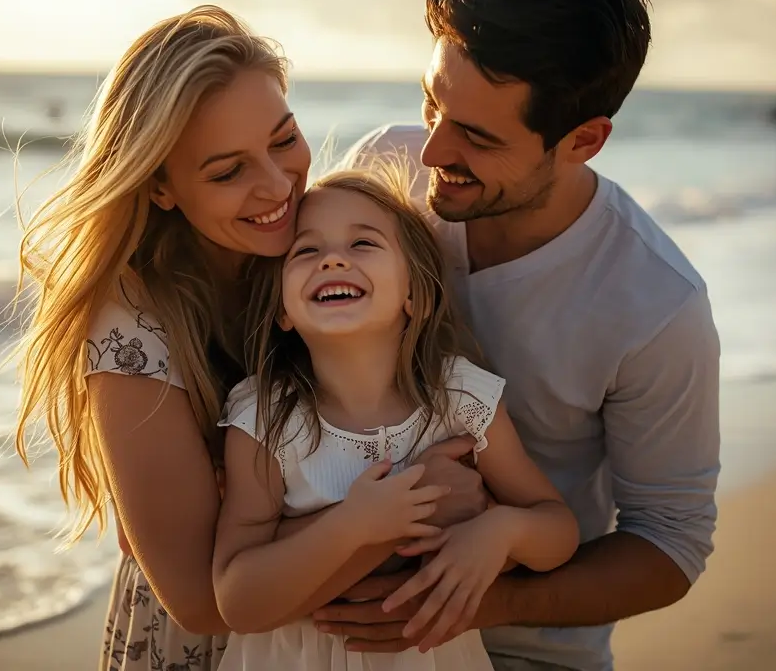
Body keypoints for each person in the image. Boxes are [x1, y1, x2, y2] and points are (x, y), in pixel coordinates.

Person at [9, 6, 482, 671]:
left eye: (284, 139)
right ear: (161, 187)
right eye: (228, 171)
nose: (277, 185)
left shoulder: (313, 255)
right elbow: (202, 601)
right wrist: (416, 501)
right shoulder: (134, 331)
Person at [315, 0, 722, 671]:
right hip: (324, 638)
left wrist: (478, 600)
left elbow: (671, 544)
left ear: (583, 141)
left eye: (476, 136)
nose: (433, 152)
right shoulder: (387, 172)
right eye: (431, 104)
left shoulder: (655, 306)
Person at [212, 167, 581, 670]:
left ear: (415, 294)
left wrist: (500, 533)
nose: (333, 258)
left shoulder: (460, 400)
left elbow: (557, 531)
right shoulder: (265, 419)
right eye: (306, 250)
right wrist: (356, 524)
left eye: (363, 243)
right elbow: (239, 601)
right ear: (283, 310)